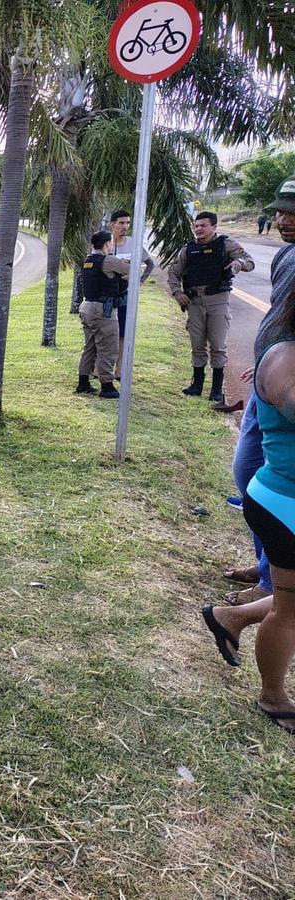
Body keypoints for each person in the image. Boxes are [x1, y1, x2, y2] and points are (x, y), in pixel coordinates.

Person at [201, 179, 295, 731]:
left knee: (291, 603)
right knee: (289, 610)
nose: (284, 220)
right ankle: (273, 696)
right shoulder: (284, 357)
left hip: (278, 497)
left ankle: (230, 614)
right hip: (282, 502)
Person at [225, 176, 295, 605]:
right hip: (270, 379)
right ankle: (267, 562)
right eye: (280, 211)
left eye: (292, 212)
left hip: (286, 387)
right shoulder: (287, 256)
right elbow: (280, 317)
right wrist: (267, 357)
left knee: (274, 480)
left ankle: (272, 583)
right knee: (249, 474)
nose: (283, 219)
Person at [167, 211, 255, 403]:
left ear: (214, 227)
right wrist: (177, 292)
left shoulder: (226, 245)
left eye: (203, 226)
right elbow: (173, 273)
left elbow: (249, 262)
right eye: (196, 226)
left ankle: (216, 389)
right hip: (194, 303)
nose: (198, 229)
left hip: (218, 301)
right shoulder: (188, 250)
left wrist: (238, 263)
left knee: (217, 346)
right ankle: (196, 385)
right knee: (197, 345)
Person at [76, 231, 129, 399]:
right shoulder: (109, 260)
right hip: (103, 310)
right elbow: (132, 270)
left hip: (87, 307)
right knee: (108, 348)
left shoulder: (88, 260)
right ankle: (107, 386)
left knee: (90, 347)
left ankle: (83, 382)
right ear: (107, 244)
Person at [107, 208, 155, 379]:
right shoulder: (105, 243)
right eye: (121, 223)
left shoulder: (133, 243)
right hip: (106, 295)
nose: (124, 226)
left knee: (122, 332)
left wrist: (139, 282)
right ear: (112, 224)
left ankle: (119, 370)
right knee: (104, 332)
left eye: (127, 223)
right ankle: (98, 369)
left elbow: (150, 264)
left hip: (125, 295)